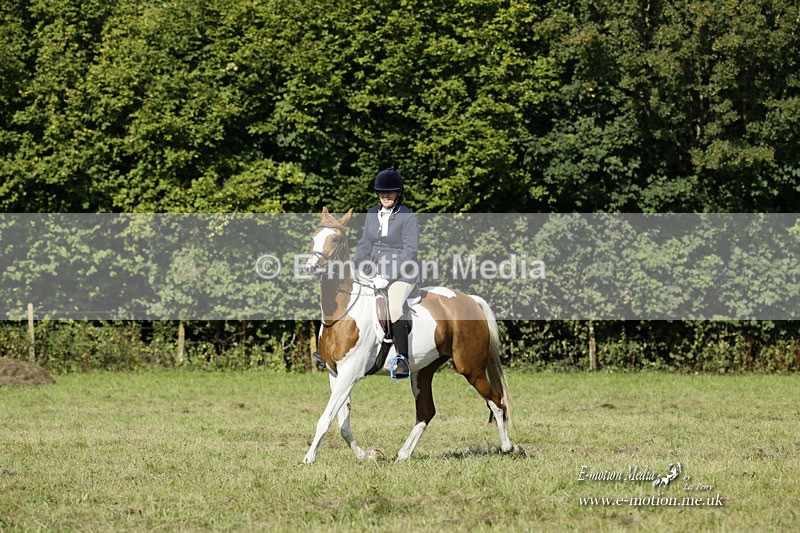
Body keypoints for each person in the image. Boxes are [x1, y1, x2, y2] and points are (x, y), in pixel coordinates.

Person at [353, 168, 419, 380]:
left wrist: (388, 276)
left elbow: (410, 251)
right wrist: (355, 265)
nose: (385, 196)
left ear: (398, 193)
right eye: (381, 192)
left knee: (394, 306)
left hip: (402, 273)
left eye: (389, 193)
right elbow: (365, 243)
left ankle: (402, 359)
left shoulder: (407, 216)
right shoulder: (372, 213)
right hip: (374, 269)